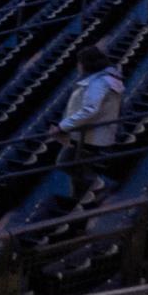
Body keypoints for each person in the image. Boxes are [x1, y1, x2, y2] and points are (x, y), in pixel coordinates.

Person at [54, 46, 127, 196]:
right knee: (77, 165)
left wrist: (62, 127)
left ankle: (100, 185)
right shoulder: (104, 79)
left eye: (79, 62)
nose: (77, 66)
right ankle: (82, 196)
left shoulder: (99, 82)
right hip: (89, 132)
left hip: (90, 133)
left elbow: (89, 110)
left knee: (65, 162)